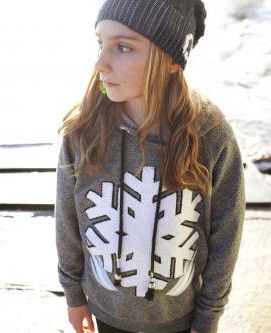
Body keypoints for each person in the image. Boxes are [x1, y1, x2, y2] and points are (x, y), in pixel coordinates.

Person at [55, 1, 245, 332]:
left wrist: (209, 315)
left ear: (171, 59)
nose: (100, 63)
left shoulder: (211, 135)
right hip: (106, 310)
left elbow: (225, 235)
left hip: (180, 320)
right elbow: (68, 222)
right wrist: (73, 293)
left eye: (123, 47)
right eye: (101, 43)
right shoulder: (83, 131)